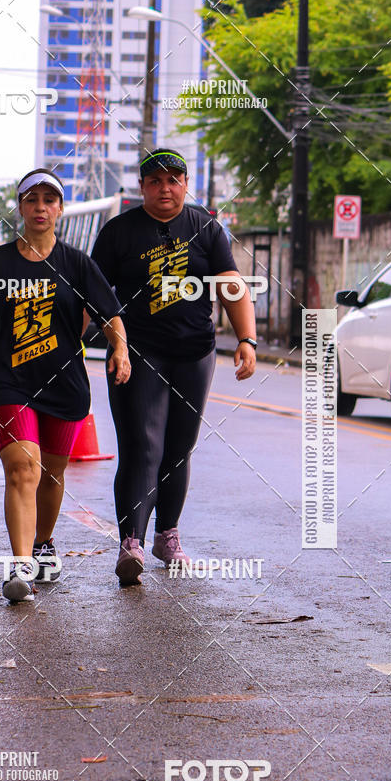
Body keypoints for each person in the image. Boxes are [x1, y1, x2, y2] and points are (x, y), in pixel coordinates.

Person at [0, 168, 130, 603]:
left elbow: (109, 314)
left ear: (60, 209)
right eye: (32, 200)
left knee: (51, 474)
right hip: (9, 383)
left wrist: (121, 351)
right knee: (23, 469)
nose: (41, 208)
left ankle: (44, 542)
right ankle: (21, 568)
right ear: (21, 207)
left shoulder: (77, 264)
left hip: (65, 385)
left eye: (50, 200)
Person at [91, 149, 257, 586]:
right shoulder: (119, 232)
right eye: (156, 181)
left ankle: (168, 535)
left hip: (195, 352)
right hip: (138, 351)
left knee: (179, 448)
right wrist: (103, 342)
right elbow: (93, 291)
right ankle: (132, 542)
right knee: (142, 445)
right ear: (143, 187)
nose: (166, 188)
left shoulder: (205, 226)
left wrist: (246, 340)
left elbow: (231, 285)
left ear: (186, 183)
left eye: (174, 180)